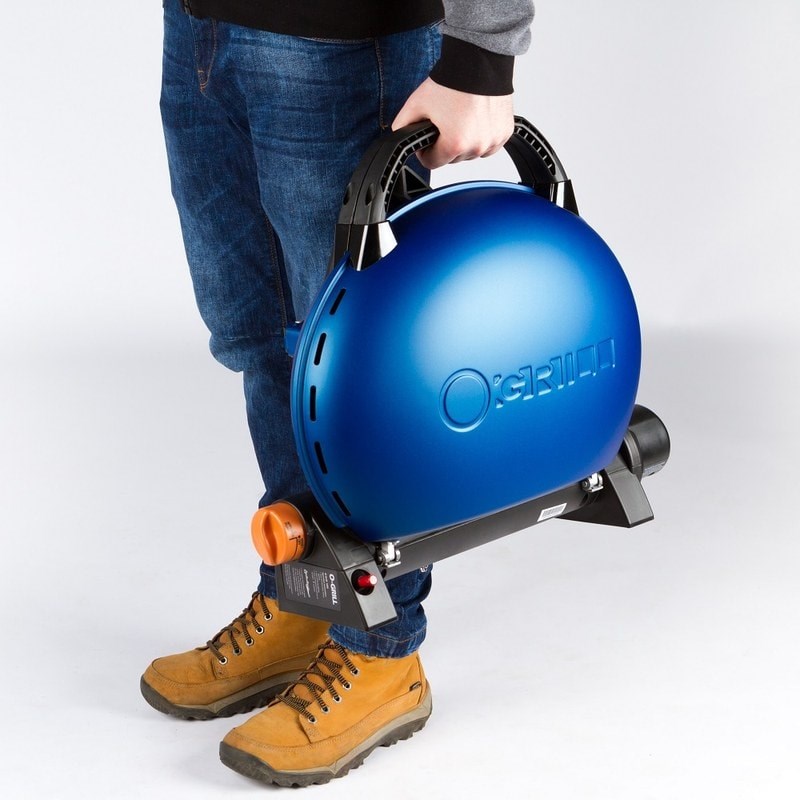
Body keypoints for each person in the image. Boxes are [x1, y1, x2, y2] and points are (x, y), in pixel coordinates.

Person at [142, 0, 535, 787]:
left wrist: (482, 52)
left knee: (362, 368)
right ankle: (302, 598)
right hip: (201, 27)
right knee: (264, 337)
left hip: (343, 38)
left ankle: (380, 652)